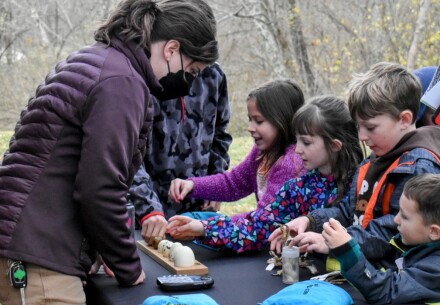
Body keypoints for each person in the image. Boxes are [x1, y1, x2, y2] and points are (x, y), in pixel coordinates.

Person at [0, 0, 219, 304]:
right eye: (192, 71)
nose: (191, 83)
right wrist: (128, 265)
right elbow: (101, 188)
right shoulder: (121, 81)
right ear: (171, 49)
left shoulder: (102, 62)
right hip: (40, 257)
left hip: (30, 240)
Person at [269, 62, 440, 269]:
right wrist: (310, 220)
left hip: (392, 280)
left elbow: (392, 231)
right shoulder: (375, 159)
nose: (361, 136)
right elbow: (349, 211)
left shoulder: (419, 167)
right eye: (359, 126)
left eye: (370, 127)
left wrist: (339, 244)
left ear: (404, 119)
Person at [167, 95, 364, 253]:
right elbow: (259, 225)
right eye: (297, 142)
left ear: (335, 145)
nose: (297, 150)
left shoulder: (363, 185)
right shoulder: (298, 187)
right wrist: (206, 228)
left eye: (307, 142)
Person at [128, 63, 232, 244]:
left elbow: (220, 134)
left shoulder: (214, 75)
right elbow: (128, 153)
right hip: (147, 211)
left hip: (197, 211)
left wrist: (213, 185)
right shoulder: (141, 76)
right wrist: (147, 206)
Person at [323, 174, 440, 304]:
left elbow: (387, 293)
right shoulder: (413, 244)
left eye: (405, 217)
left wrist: (347, 251)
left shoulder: (435, 270)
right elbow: (382, 268)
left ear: (434, 232)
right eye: (398, 212)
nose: (396, 220)